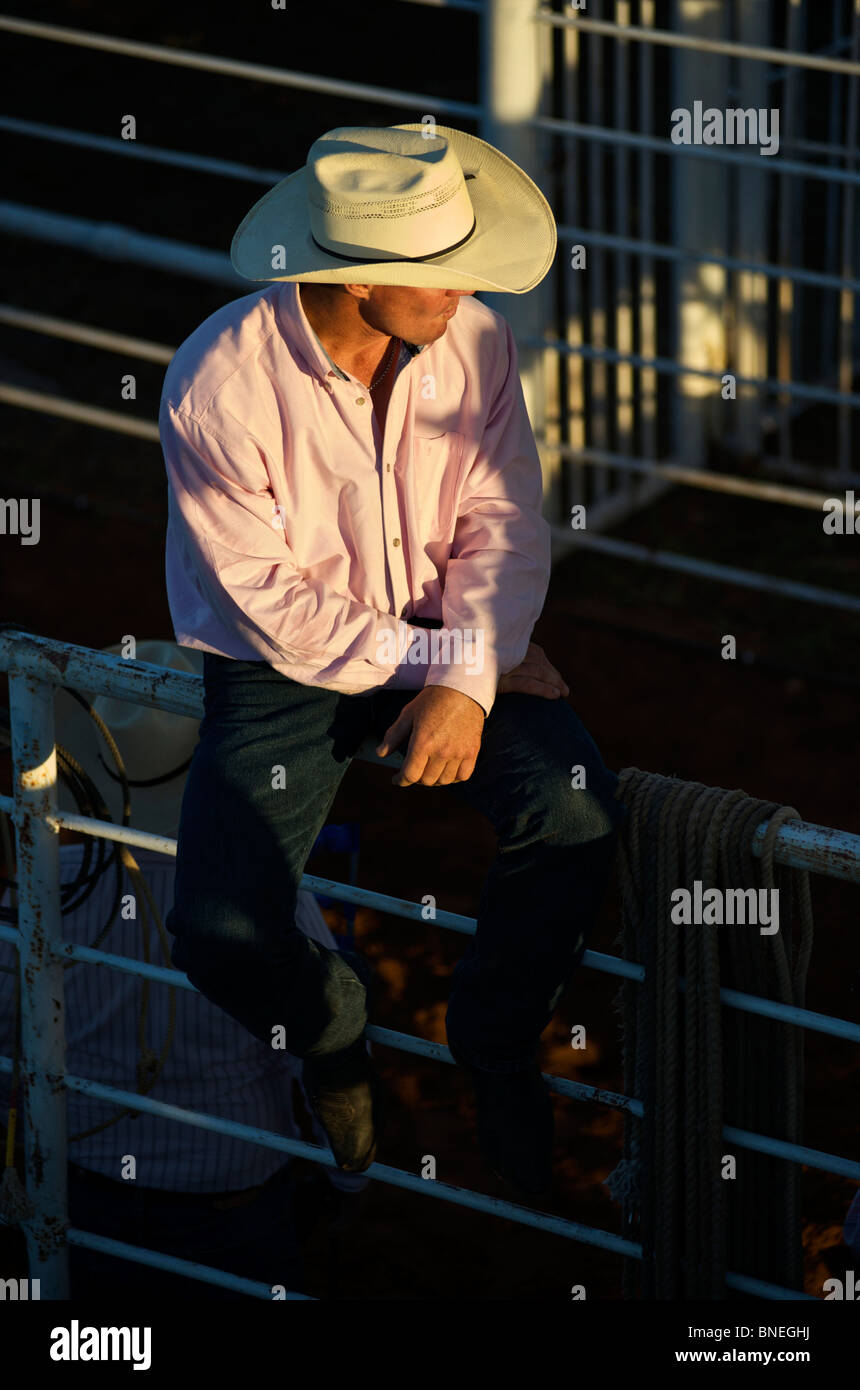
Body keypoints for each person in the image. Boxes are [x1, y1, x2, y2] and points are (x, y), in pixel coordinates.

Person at [160, 123, 625, 1196]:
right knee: (216, 930)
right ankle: (331, 1025)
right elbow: (274, 607)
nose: (462, 293)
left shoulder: (476, 348)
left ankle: (495, 1045)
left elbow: (501, 519)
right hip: (288, 664)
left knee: (572, 808)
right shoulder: (216, 384)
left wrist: (462, 677)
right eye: (439, 275)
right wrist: (461, 662)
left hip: (448, 633)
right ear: (359, 278)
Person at [0, 640, 367, 1299]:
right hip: (231, 1195)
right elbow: (315, 1046)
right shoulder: (270, 898)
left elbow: (9, 1032)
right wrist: (348, 1180)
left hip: (82, 1177)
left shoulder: (42, 888)